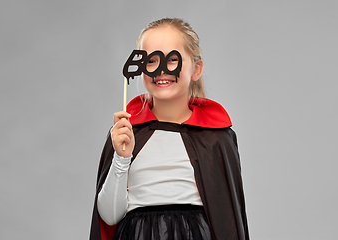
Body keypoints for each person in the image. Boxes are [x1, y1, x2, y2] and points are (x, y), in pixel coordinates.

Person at [90, 18, 249, 240]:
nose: (161, 70)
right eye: (151, 61)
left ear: (196, 69)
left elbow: (227, 221)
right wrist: (121, 159)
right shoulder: (126, 132)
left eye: (172, 59)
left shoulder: (215, 137)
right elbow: (109, 217)